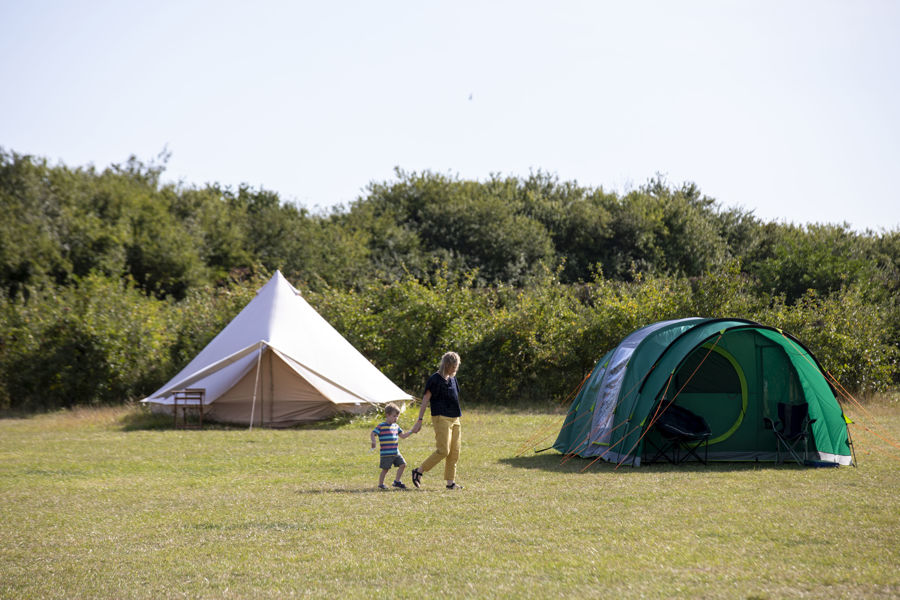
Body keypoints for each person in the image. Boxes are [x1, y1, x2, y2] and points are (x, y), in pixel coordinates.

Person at [410, 351, 463, 490]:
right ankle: (419, 471)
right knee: (443, 450)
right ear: (446, 365)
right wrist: (419, 420)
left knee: (454, 452)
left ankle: (450, 483)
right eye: (454, 366)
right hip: (441, 418)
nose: (455, 369)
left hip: (455, 418)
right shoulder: (434, 379)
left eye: (457, 366)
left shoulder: (453, 379)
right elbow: (426, 400)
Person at [370, 402, 415, 490]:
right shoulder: (381, 426)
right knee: (385, 469)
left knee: (403, 464)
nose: (396, 418)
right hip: (386, 453)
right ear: (387, 415)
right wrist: (373, 441)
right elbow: (373, 433)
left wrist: (412, 431)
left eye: (397, 416)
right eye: (394, 416)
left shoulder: (396, 426)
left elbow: (403, 436)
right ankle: (381, 484)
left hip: (395, 452)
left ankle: (397, 481)